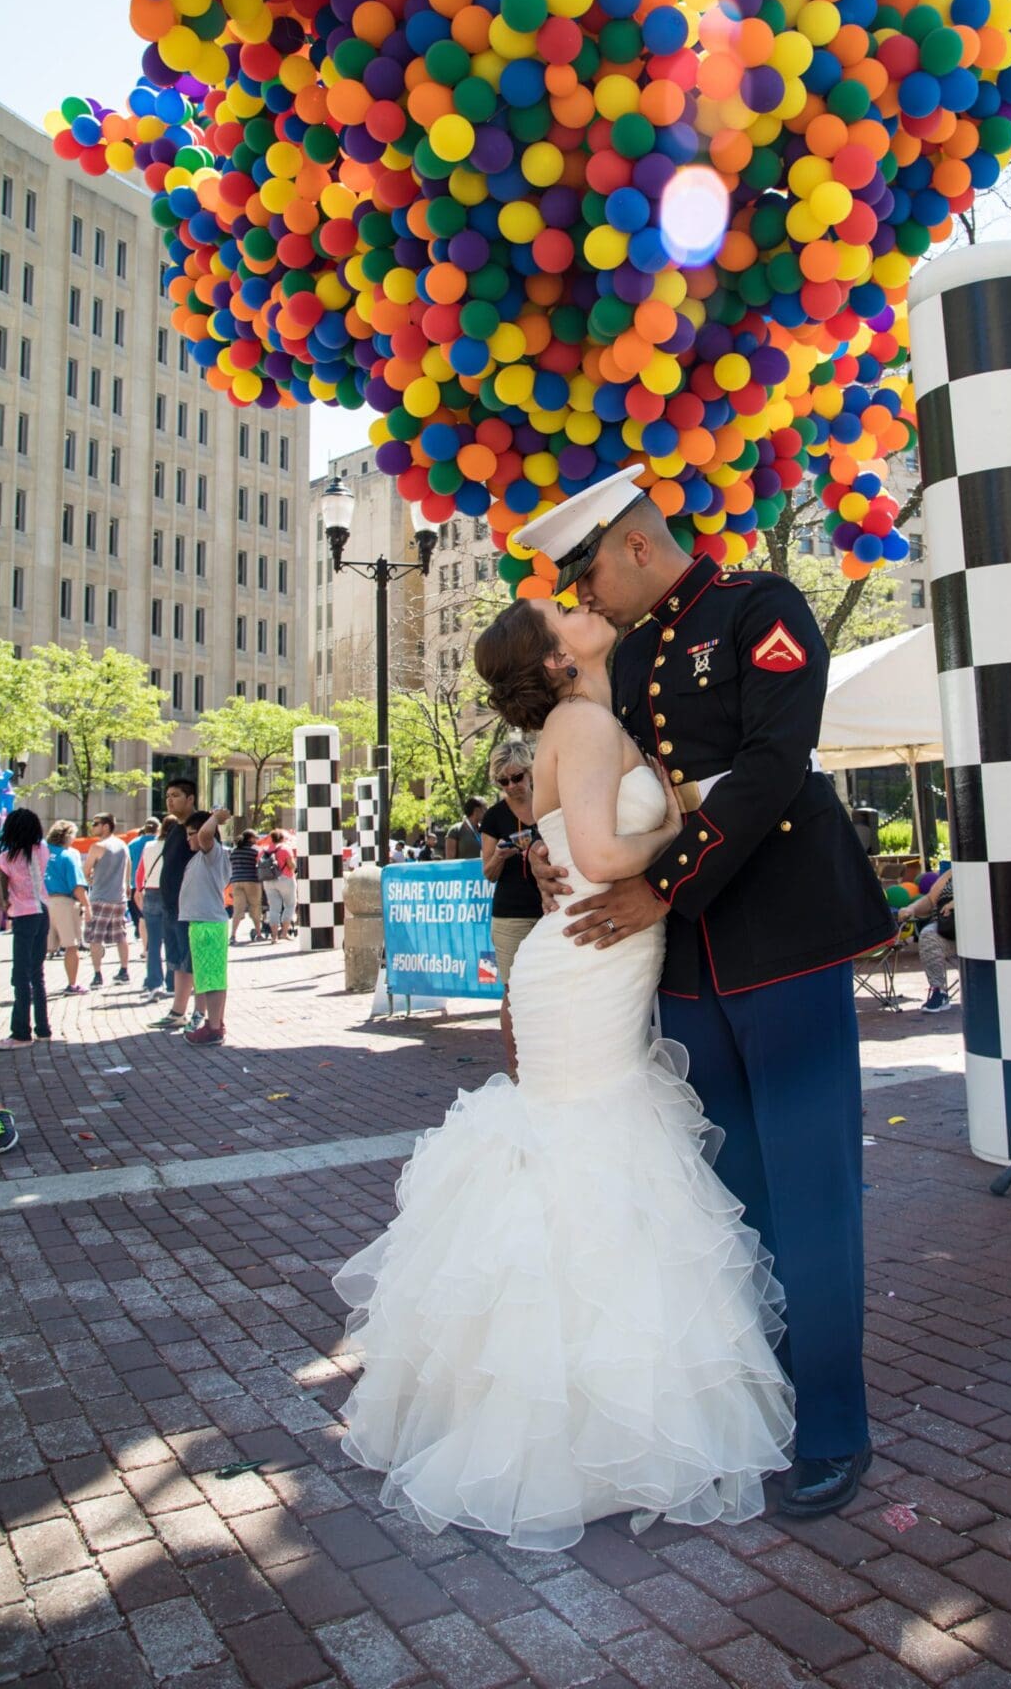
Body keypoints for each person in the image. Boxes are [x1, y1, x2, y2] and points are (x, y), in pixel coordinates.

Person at [335, 595, 793, 1552]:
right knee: (592, 1147)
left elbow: (570, 848)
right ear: (553, 660)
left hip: (586, 954)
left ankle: (576, 1410)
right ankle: (583, 1427)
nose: (582, 605)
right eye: (562, 611)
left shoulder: (584, 721)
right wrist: (688, 843)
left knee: (582, 1146)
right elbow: (598, 853)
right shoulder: (583, 721)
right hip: (587, 958)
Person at [520, 465, 894, 1518]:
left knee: (813, 1196)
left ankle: (830, 1425)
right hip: (683, 967)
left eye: (588, 568)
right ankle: (761, 1400)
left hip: (778, 938)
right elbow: (573, 777)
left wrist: (662, 884)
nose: (583, 594)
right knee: (730, 1198)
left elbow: (776, 765)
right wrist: (538, 848)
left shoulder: (758, 610)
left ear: (634, 544)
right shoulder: (619, 658)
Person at [479, 740, 541, 1077]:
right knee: (513, 989)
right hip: (511, 913)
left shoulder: (549, 803)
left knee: (553, 983)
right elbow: (487, 872)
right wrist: (501, 856)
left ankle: (547, 1061)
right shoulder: (494, 816)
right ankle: (516, 1068)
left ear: (529, 771)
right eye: (503, 782)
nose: (511, 787)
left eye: (516, 777)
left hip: (552, 907)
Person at [180, 808, 233, 1044]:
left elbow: (204, 837)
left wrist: (215, 819)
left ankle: (213, 1027)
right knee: (208, 977)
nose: (189, 838)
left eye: (191, 833)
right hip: (202, 924)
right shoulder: (200, 858)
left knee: (211, 978)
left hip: (209, 924)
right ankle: (214, 1023)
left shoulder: (213, 853)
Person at [0, 809, 52, 1048]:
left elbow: (3, 896)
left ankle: (21, 1033)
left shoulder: (5, 858)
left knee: (20, 976)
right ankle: (43, 1029)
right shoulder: (42, 850)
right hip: (43, 913)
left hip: (23, 915)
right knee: (36, 974)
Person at [153, 779, 200, 1032]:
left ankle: (199, 1013)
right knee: (177, 961)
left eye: (176, 795)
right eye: (168, 795)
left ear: (190, 798)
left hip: (189, 908)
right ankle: (177, 1011)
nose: (170, 800)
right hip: (170, 906)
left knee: (191, 961)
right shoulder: (173, 830)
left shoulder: (198, 828)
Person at [84, 814, 132, 987]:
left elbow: (86, 870)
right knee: (121, 936)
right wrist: (127, 885)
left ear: (105, 826)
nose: (92, 826)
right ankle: (124, 971)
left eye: (95, 823)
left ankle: (97, 975)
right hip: (119, 898)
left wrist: (90, 881)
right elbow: (129, 865)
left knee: (95, 938)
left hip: (99, 897)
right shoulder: (122, 845)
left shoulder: (97, 846)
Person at [45, 821, 90, 995]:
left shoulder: (41, 853)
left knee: (42, 947)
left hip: (44, 902)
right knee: (71, 946)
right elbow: (77, 886)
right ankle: (72, 984)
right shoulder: (68, 855)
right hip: (64, 902)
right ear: (68, 836)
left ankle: (34, 983)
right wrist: (87, 906)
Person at [902, 868, 955, 1011]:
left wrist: (958, 902)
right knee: (928, 934)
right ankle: (939, 991)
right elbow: (930, 900)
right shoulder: (951, 873)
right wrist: (911, 908)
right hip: (948, 930)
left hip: (978, 933)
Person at [138, 817, 174, 993]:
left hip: (151, 892)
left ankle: (153, 981)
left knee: (153, 943)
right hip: (169, 893)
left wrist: (139, 890)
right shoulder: (175, 846)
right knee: (171, 940)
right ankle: (172, 981)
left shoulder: (149, 846)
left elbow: (141, 872)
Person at [258, 828, 297, 940]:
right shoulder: (285, 849)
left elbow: (259, 864)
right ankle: (284, 933)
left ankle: (274, 936)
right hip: (285, 879)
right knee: (290, 905)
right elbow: (291, 865)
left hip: (268, 880)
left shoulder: (263, 850)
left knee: (274, 908)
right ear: (282, 838)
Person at [229, 831, 264, 943]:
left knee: (238, 910)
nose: (257, 839)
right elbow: (261, 864)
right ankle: (258, 934)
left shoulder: (234, 851)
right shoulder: (256, 850)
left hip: (236, 881)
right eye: (256, 837)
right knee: (255, 907)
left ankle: (233, 936)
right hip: (252, 880)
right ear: (251, 838)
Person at [127, 819, 158, 948]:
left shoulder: (132, 844)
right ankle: (154, 944)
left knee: (141, 917)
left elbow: (128, 865)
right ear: (157, 828)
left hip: (136, 885)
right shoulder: (158, 843)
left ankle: (145, 947)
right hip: (154, 884)